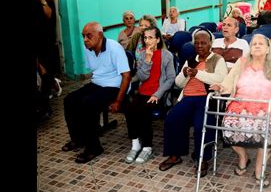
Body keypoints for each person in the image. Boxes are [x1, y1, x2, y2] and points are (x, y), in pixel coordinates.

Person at [210, 34, 271, 187]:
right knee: (227, 128)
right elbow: (230, 79)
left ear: (267, 49)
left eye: (261, 44)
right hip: (240, 104)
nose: (257, 46)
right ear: (250, 49)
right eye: (254, 44)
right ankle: (243, 157)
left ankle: (259, 170)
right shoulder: (242, 62)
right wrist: (222, 87)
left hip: (266, 105)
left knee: (268, 131)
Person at [159, 28, 228, 177]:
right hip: (188, 97)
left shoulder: (217, 59)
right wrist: (184, 74)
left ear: (210, 44)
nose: (199, 46)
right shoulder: (190, 59)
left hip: (206, 98)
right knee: (172, 118)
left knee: (200, 124)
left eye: (203, 43)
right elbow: (178, 83)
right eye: (196, 43)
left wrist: (198, 73)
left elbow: (221, 79)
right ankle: (175, 155)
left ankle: (202, 158)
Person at [61, 22, 131, 164]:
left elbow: (126, 76)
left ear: (100, 35)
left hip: (115, 86)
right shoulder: (88, 48)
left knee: (88, 103)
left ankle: (94, 148)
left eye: (88, 36)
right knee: (69, 99)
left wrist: (118, 101)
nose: (85, 40)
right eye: (83, 36)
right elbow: (95, 72)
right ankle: (78, 139)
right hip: (98, 83)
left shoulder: (114, 48)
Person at [124, 26, 176, 164]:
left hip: (158, 94)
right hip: (143, 92)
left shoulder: (167, 55)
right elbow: (141, 77)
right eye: (145, 38)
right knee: (129, 109)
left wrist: (158, 94)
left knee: (142, 111)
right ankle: (135, 145)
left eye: (150, 37)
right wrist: (147, 60)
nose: (147, 41)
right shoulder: (142, 54)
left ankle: (147, 147)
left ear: (158, 39)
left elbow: (171, 78)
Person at [36, 0, 62, 99]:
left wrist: (42, 1)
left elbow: (50, 16)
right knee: (41, 70)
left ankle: (45, 101)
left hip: (47, 39)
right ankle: (52, 84)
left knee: (47, 70)